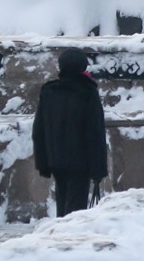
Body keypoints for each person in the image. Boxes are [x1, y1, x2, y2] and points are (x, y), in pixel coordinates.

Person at [32, 48, 109, 217]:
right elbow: (95, 133)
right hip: (80, 162)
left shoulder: (49, 91)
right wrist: (98, 170)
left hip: (56, 160)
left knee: (62, 202)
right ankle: (67, 232)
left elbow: (39, 129)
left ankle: (61, 229)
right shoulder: (88, 92)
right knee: (76, 209)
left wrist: (43, 162)